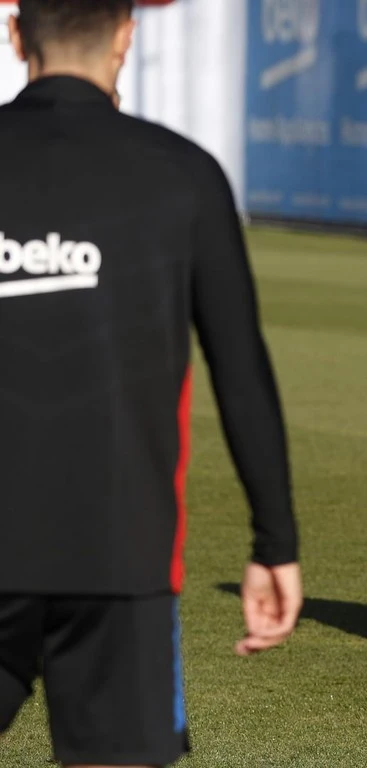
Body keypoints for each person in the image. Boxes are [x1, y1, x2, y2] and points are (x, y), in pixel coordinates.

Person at [0, 2, 303, 767]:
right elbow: (240, 369)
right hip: (119, 550)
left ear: (14, 34)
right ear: (127, 36)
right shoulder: (182, 172)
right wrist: (274, 541)